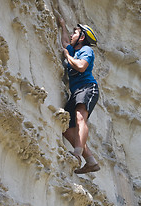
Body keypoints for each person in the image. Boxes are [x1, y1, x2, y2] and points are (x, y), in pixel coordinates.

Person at [59, 17, 100, 174]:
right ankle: (91, 161)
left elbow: (82, 66)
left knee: (80, 118)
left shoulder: (86, 51)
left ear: (82, 37)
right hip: (76, 92)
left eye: (74, 32)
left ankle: (77, 153)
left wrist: (67, 57)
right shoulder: (75, 51)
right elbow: (65, 44)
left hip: (88, 88)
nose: (71, 34)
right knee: (66, 128)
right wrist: (62, 25)